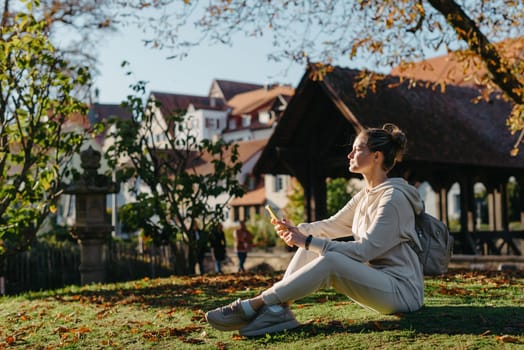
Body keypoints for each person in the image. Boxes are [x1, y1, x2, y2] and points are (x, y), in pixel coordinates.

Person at [205, 123, 425, 337]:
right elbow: (330, 226)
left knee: (329, 259)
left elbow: (364, 251)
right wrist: (296, 231)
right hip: (378, 282)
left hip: (402, 292)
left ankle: (256, 304)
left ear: (377, 157)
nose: (349, 155)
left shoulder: (393, 199)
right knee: (317, 239)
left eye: (357, 150)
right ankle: (278, 310)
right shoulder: (365, 196)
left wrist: (306, 241)